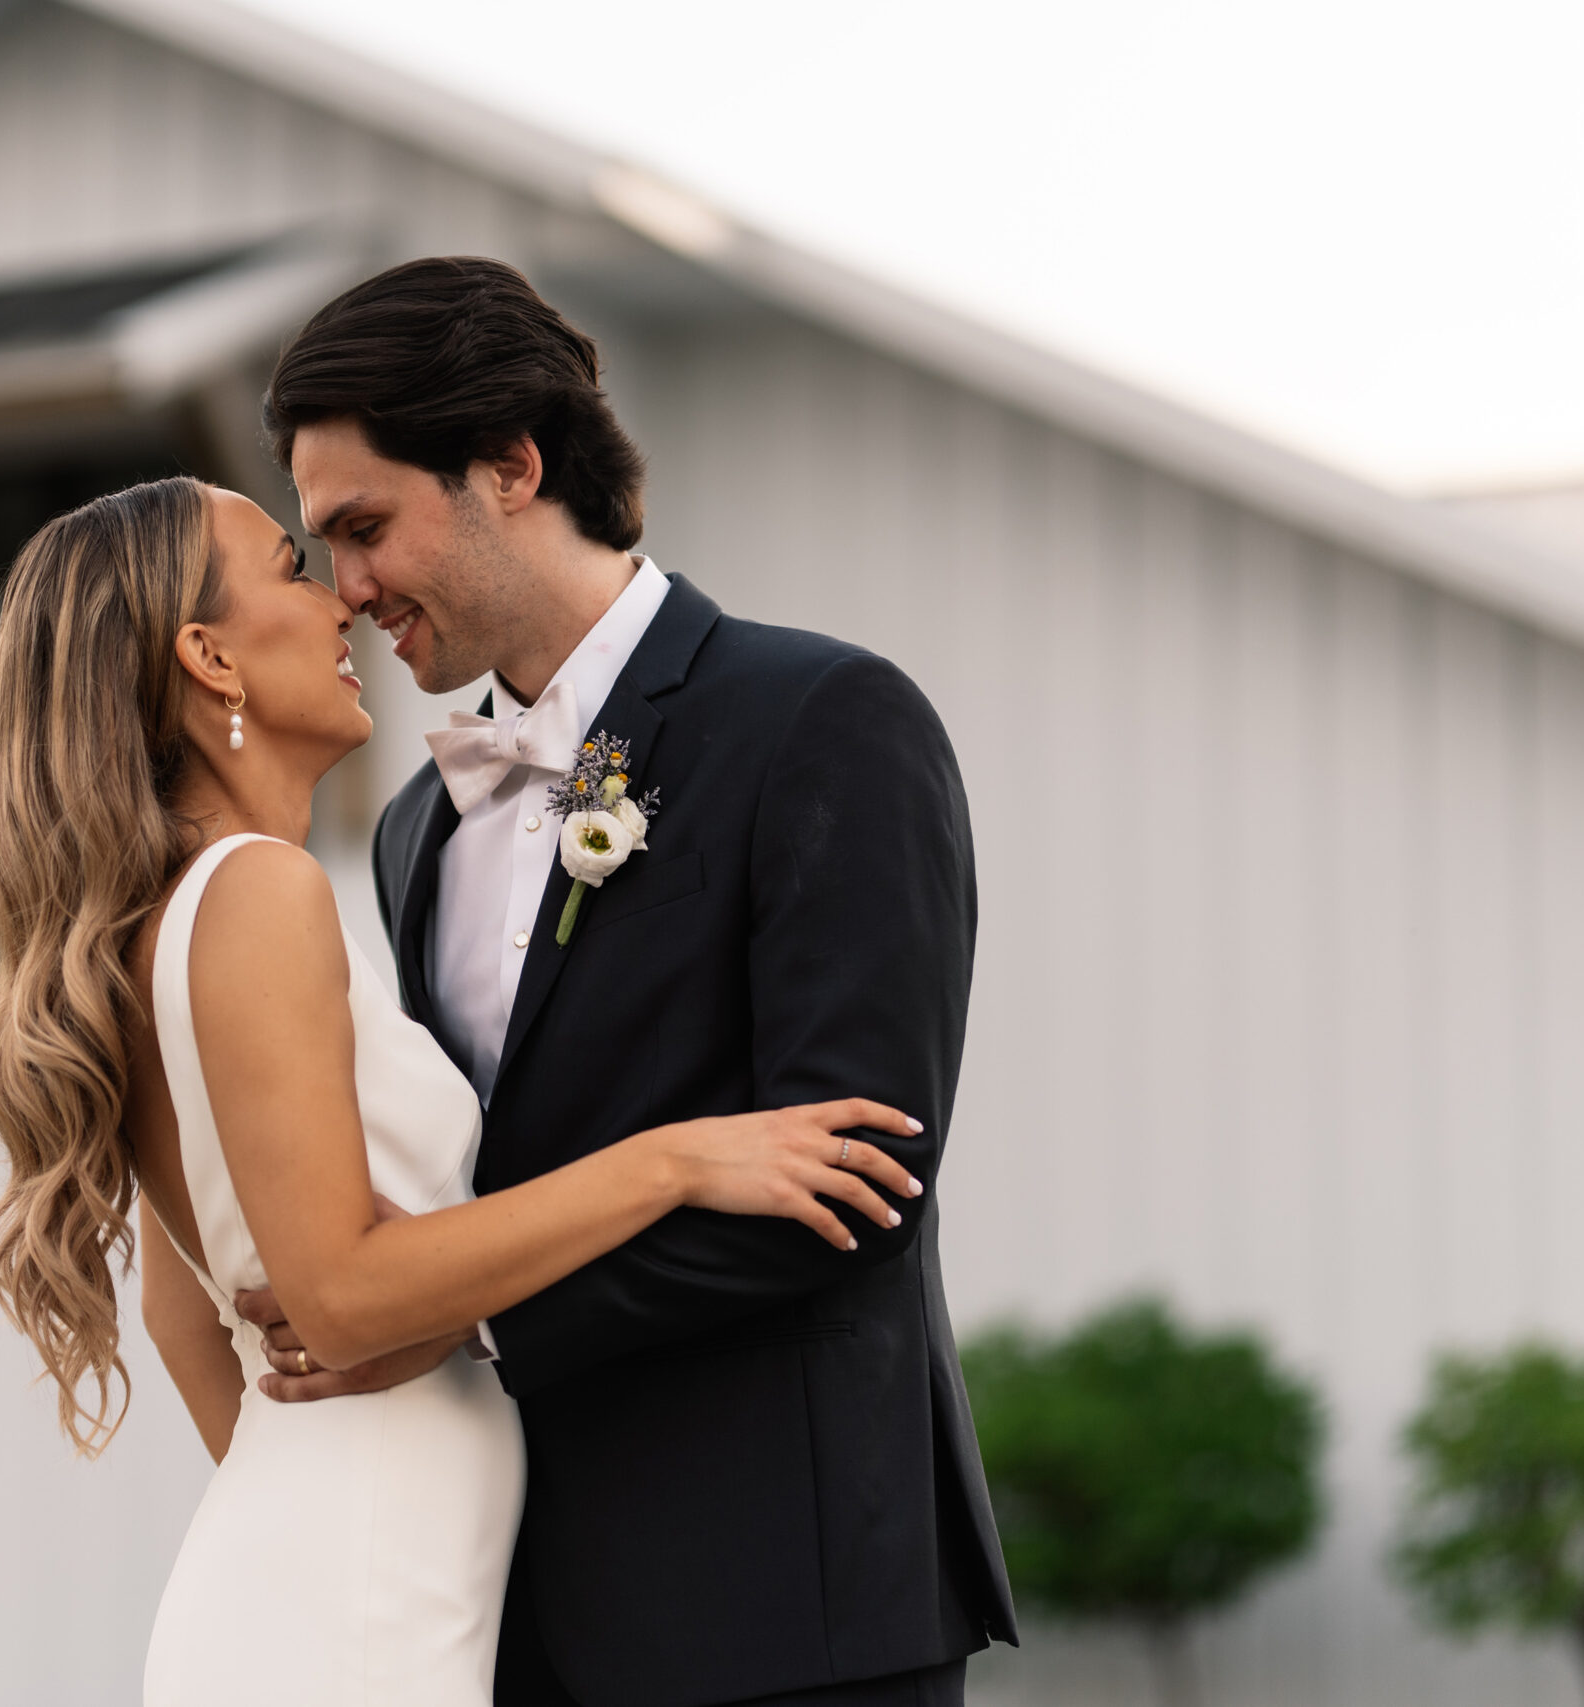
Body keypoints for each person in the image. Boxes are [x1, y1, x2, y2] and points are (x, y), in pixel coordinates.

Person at [0, 472, 927, 1707]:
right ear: (208, 656)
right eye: (294, 569)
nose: (340, 605)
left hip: (330, 1570)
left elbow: (184, 1316)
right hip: (365, 1599)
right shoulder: (256, 893)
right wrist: (672, 1159)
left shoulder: (164, 917)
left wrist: (306, 1492)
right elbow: (343, 1296)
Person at [235, 256, 1019, 1707]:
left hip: (794, 1609)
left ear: (511, 464)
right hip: (519, 1618)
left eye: (364, 527)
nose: (345, 591)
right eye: (318, 546)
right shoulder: (416, 829)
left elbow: (853, 1188)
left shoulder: (824, 719)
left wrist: (451, 1315)